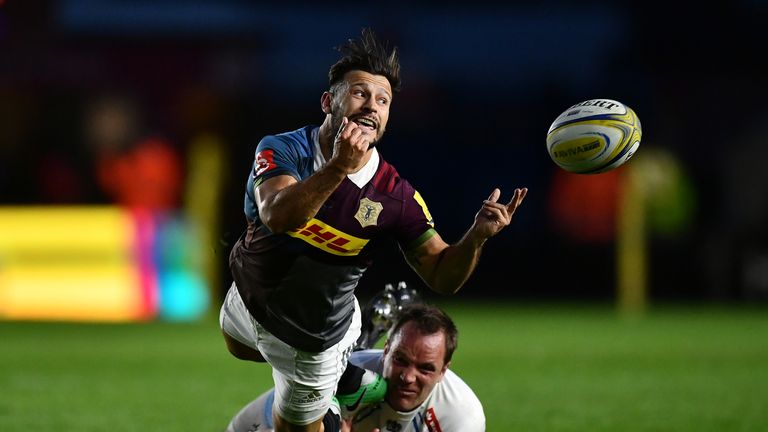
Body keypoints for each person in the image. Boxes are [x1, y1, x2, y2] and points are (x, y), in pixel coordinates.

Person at [219, 27, 527, 432]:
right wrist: (338, 168)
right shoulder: (282, 148)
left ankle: (332, 378)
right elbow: (278, 216)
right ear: (329, 101)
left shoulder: (394, 196)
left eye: (383, 101)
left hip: (312, 339)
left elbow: (442, 274)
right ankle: (348, 379)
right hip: (245, 298)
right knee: (238, 346)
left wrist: (477, 236)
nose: (372, 106)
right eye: (361, 93)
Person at [225, 303, 485, 432]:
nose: (407, 377)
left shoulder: (462, 416)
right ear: (385, 352)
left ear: (444, 370)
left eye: (426, 368)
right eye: (400, 360)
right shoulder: (349, 375)